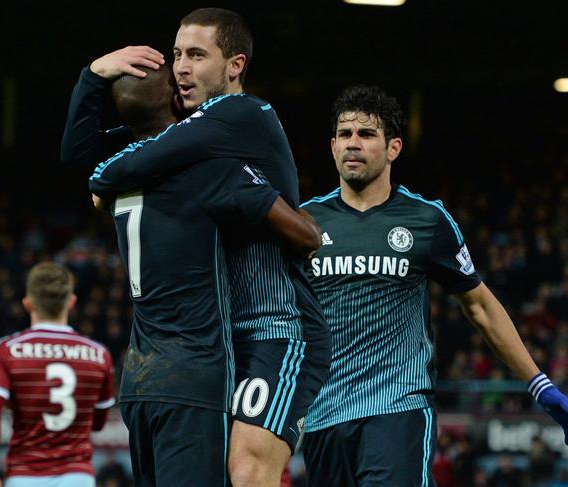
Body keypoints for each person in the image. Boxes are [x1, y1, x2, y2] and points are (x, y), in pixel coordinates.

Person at [81, 8, 331, 486]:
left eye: (196, 55)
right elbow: (96, 148)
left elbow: (127, 158)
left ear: (234, 65)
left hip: (276, 326)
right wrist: (92, 77)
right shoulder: (195, 141)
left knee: (247, 469)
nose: (180, 67)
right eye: (176, 55)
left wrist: (102, 175)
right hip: (219, 340)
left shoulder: (240, 113)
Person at [299, 84, 568, 486]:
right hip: (323, 415)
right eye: (344, 134)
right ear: (332, 146)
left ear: (394, 148)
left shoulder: (427, 220)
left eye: (367, 134)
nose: (353, 143)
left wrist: (539, 383)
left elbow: (478, 305)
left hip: (398, 409)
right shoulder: (302, 223)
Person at [0, 262, 115, 487]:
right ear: (71, 302)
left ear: (27, 304)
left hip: (25, 475)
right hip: (77, 476)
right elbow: (98, 423)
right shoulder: (99, 354)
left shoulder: (7, 350)